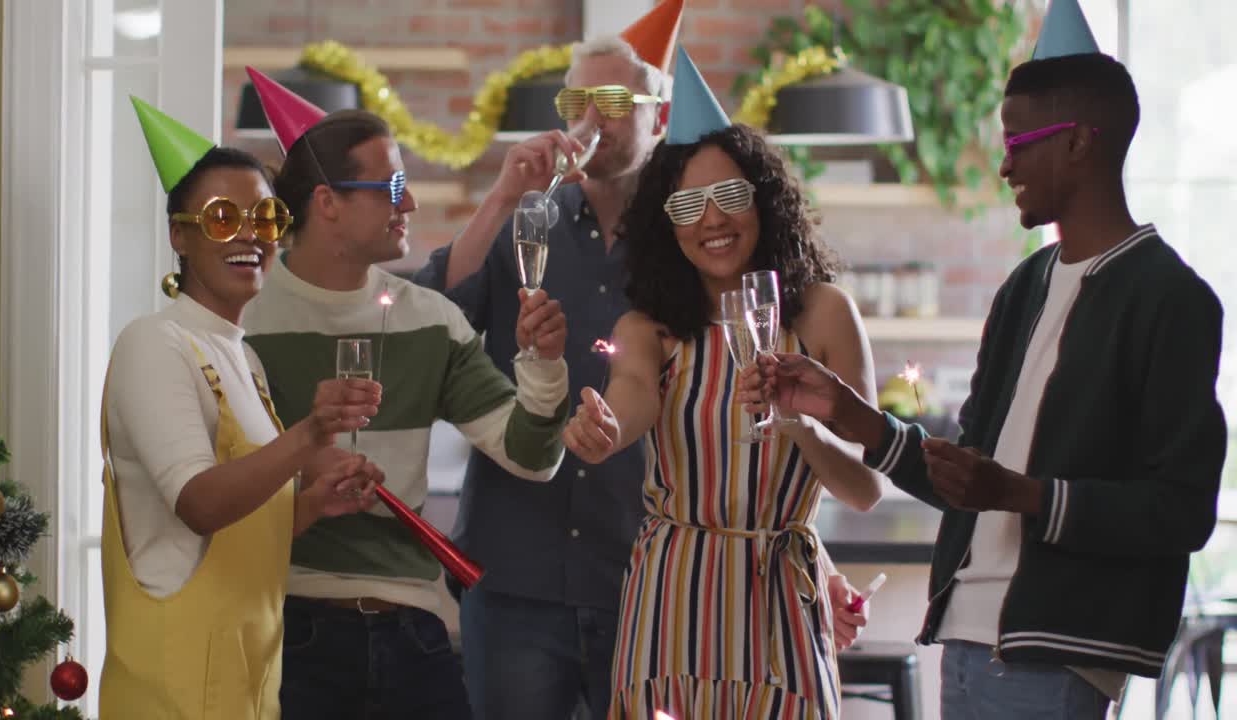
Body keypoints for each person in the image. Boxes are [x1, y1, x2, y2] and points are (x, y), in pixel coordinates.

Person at [746, 8, 1227, 718]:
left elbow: (1181, 511)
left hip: (1060, 653)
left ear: (1078, 145)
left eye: (1018, 142)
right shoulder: (1022, 289)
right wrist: (845, 412)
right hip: (965, 640)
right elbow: (967, 476)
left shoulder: (1170, 299)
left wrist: (1021, 494)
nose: (1004, 164)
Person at [563, 48, 884, 719]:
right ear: (666, 223)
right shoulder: (651, 328)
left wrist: (797, 422)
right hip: (671, 606)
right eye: (688, 203)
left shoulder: (823, 314)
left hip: (781, 608)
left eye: (731, 196)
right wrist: (603, 430)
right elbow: (631, 397)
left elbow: (864, 487)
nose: (712, 220)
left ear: (764, 204)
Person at [240, 70, 571, 720]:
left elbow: (534, 455)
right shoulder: (244, 321)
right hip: (283, 630)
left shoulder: (428, 319)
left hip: (415, 636)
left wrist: (544, 365)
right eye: (391, 186)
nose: (411, 202)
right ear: (327, 202)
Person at [411, 8, 678, 718]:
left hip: (641, 574)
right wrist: (502, 193)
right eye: (578, 103)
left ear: (663, 113)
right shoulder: (527, 221)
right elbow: (438, 311)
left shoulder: (689, 237)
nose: (594, 119)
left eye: (616, 102)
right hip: (515, 572)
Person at [100, 98, 384, 719]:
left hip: (247, 681)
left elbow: (238, 530)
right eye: (224, 218)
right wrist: (309, 434)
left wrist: (311, 504)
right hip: (171, 688)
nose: (251, 236)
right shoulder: (154, 341)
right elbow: (199, 505)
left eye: (265, 217)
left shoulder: (242, 359)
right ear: (180, 234)